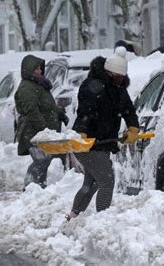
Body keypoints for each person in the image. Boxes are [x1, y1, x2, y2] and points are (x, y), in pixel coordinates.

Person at [66, 46, 140, 220]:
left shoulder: (118, 88)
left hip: (103, 143)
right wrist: (82, 132)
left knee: (91, 183)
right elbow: (85, 112)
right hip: (88, 143)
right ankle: (102, 220)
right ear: (109, 73)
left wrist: (133, 128)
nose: (120, 80)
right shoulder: (92, 86)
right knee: (107, 181)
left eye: (122, 77)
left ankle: (74, 216)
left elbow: (128, 110)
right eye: (117, 77)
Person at [15, 54, 66, 188]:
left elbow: (46, 106)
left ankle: (38, 188)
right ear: (28, 70)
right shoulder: (27, 87)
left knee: (44, 161)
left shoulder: (39, 85)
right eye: (36, 69)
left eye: (40, 68)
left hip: (41, 132)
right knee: (41, 161)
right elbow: (31, 110)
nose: (40, 71)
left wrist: (59, 114)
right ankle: (30, 186)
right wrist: (43, 129)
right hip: (32, 132)